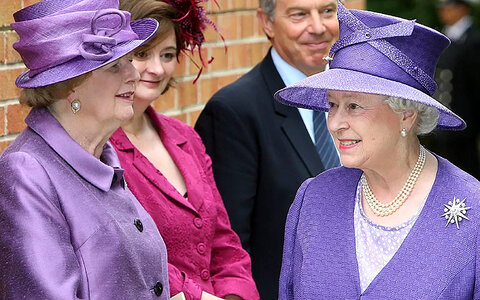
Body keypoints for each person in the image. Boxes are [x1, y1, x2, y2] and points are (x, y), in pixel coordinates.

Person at [275, 3, 480, 298]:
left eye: (354, 106)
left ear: (407, 114)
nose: (335, 123)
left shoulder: (474, 213)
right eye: (333, 104)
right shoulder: (314, 198)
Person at [0, 0, 172, 298]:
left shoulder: (103, 159)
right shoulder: (27, 172)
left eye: (130, 60)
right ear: (70, 87)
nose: (133, 74)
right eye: (115, 65)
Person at [109, 1, 259, 299]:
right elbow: (125, 252)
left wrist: (234, 295)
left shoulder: (185, 137)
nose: (157, 68)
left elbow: (224, 241)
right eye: (141, 54)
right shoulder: (101, 148)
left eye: (167, 55)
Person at [194, 0, 340, 297]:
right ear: (267, 22)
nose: (318, 27)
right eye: (299, 14)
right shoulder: (233, 112)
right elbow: (229, 246)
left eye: (327, 11)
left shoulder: (359, 98)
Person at [429, 0, 480, 179]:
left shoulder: (473, 40)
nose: (444, 11)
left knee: (465, 171)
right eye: (442, 7)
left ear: (463, 8)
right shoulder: (443, 37)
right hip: (441, 120)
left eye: (449, 6)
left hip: (465, 121)